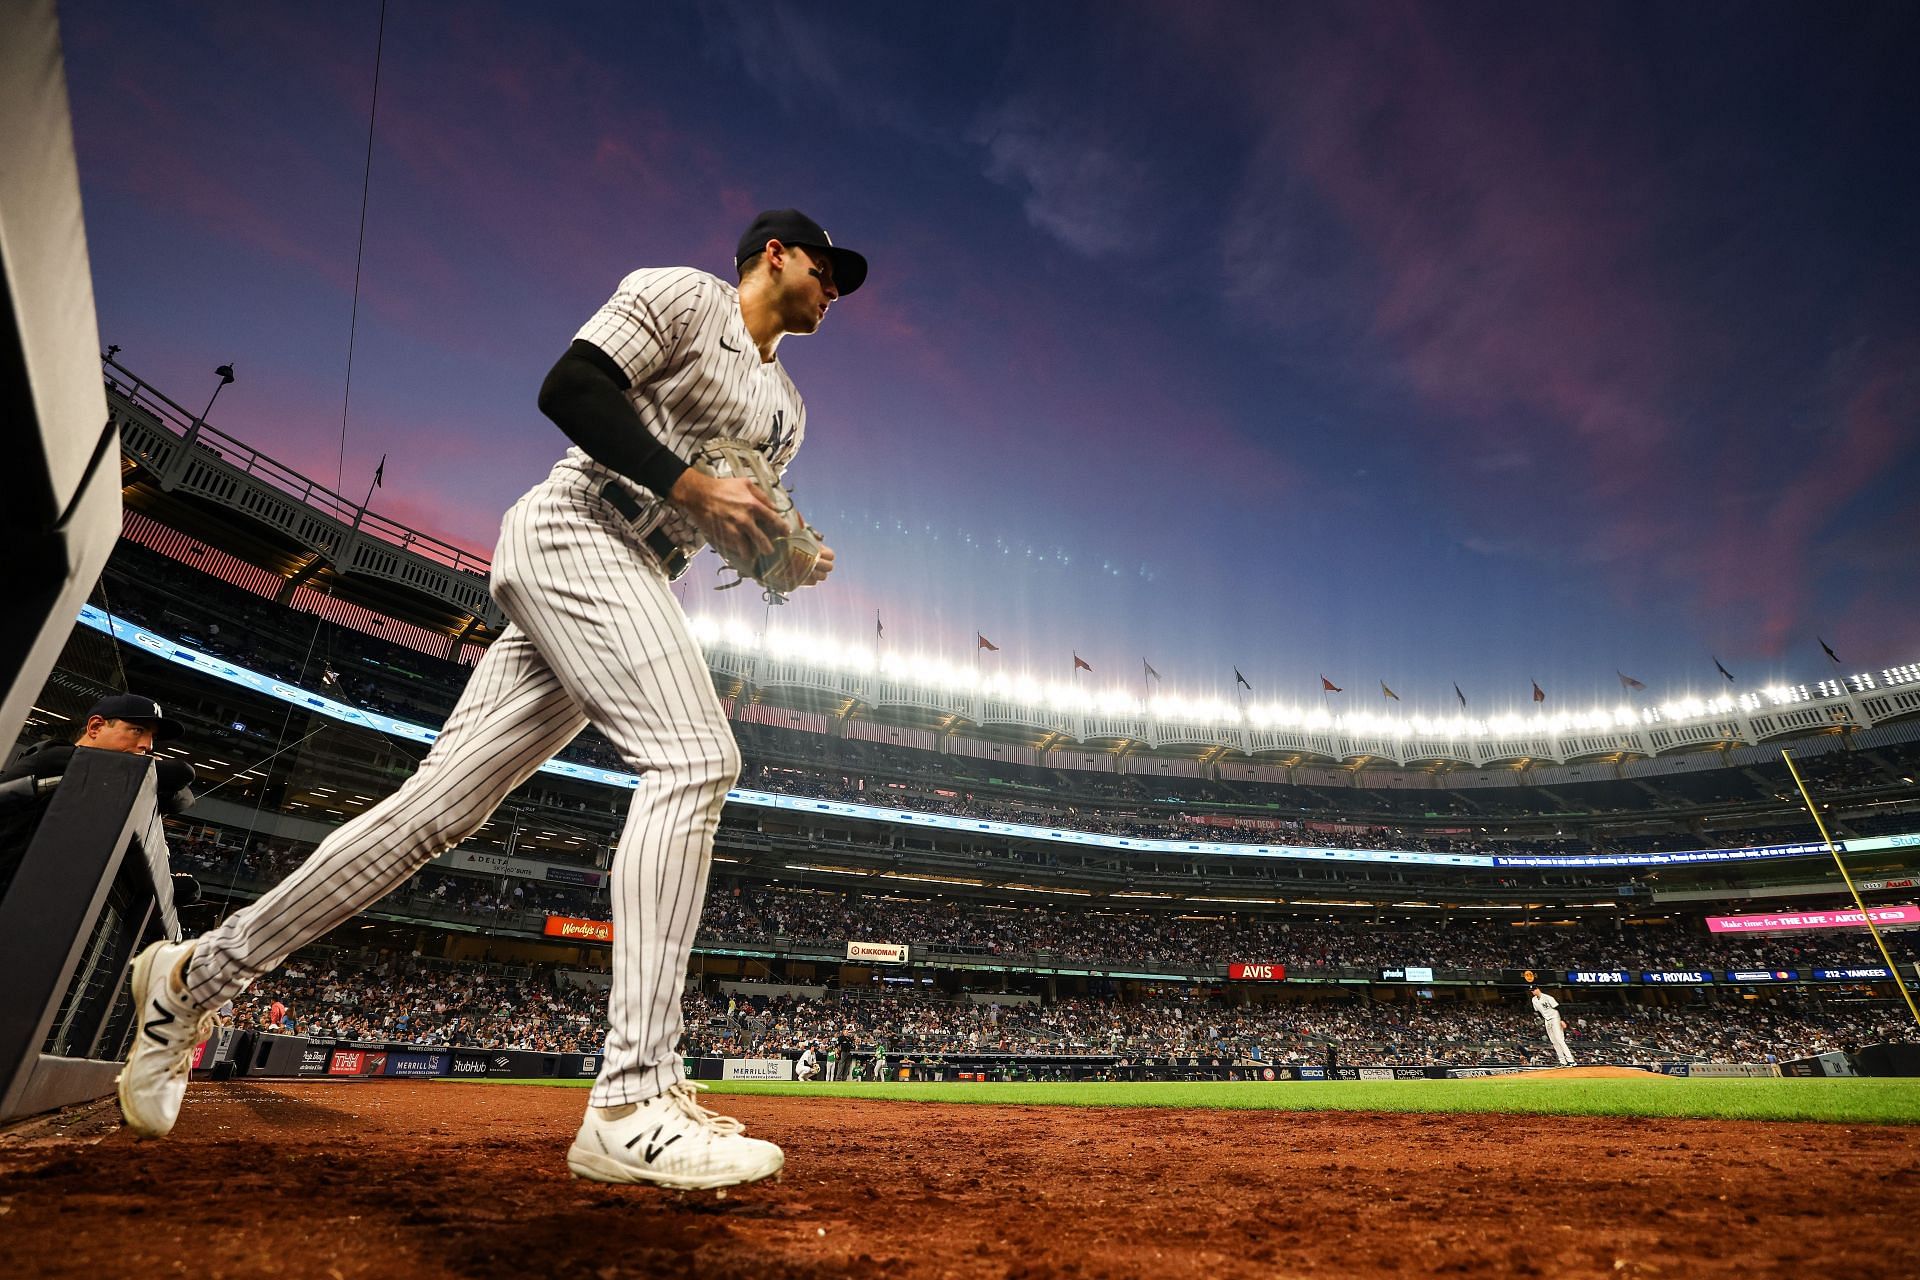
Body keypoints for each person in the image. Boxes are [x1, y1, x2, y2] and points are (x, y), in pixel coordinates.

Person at [115, 209, 866, 1192]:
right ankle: (633, 1097)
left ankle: (189, 977)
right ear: (776, 255)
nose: (836, 289)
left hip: (633, 568)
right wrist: (689, 481)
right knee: (696, 758)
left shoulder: (789, 411)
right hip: (575, 533)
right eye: (826, 268)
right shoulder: (687, 297)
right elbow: (571, 387)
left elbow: (723, 514)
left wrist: (781, 549)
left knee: (436, 812)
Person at [1530, 986, 1575, 1066]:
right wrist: (1537, 1018)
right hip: (1547, 1020)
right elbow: (1537, 1012)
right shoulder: (1534, 1000)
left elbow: (1559, 1008)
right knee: (1554, 1042)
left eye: (1533, 990)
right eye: (1531, 991)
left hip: (1555, 1018)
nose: (1532, 992)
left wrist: (1562, 1020)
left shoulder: (1547, 997)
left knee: (1559, 1039)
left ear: (1538, 989)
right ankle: (1562, 1061)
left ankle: (1571, 1060)